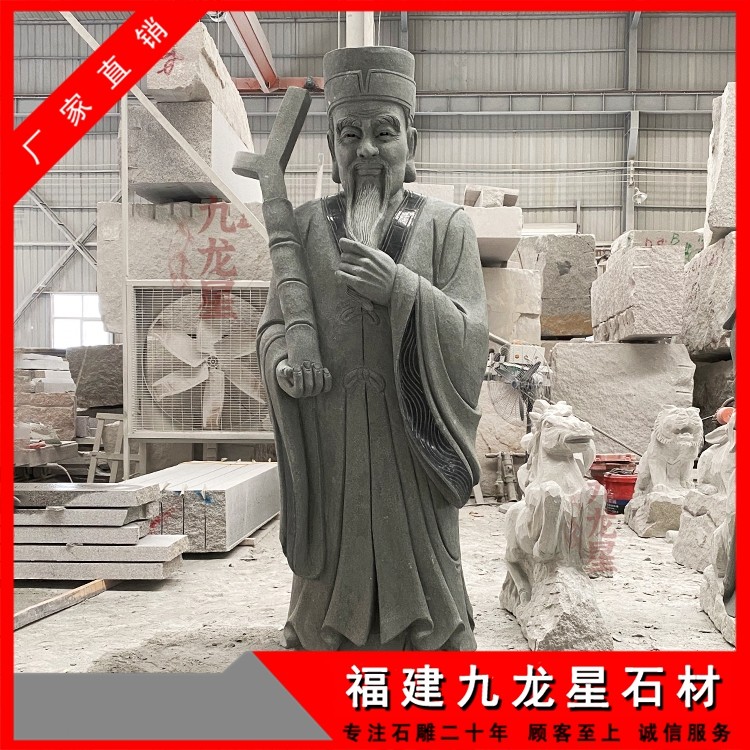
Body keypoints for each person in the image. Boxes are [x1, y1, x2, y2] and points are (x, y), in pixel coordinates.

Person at [257, 46, 487, 650]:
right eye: (349, 135)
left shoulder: (447, 225)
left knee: (419, 546)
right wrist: (285, 364)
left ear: (411, 142)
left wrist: (402, 289)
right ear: (332, 148)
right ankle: (323, 632)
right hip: (332, 426)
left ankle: (432, 631)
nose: (366, 150)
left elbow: (472, 330)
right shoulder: (305, 226)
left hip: (412, 429)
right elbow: (274, 325)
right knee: (338, 541)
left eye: (384, 133)